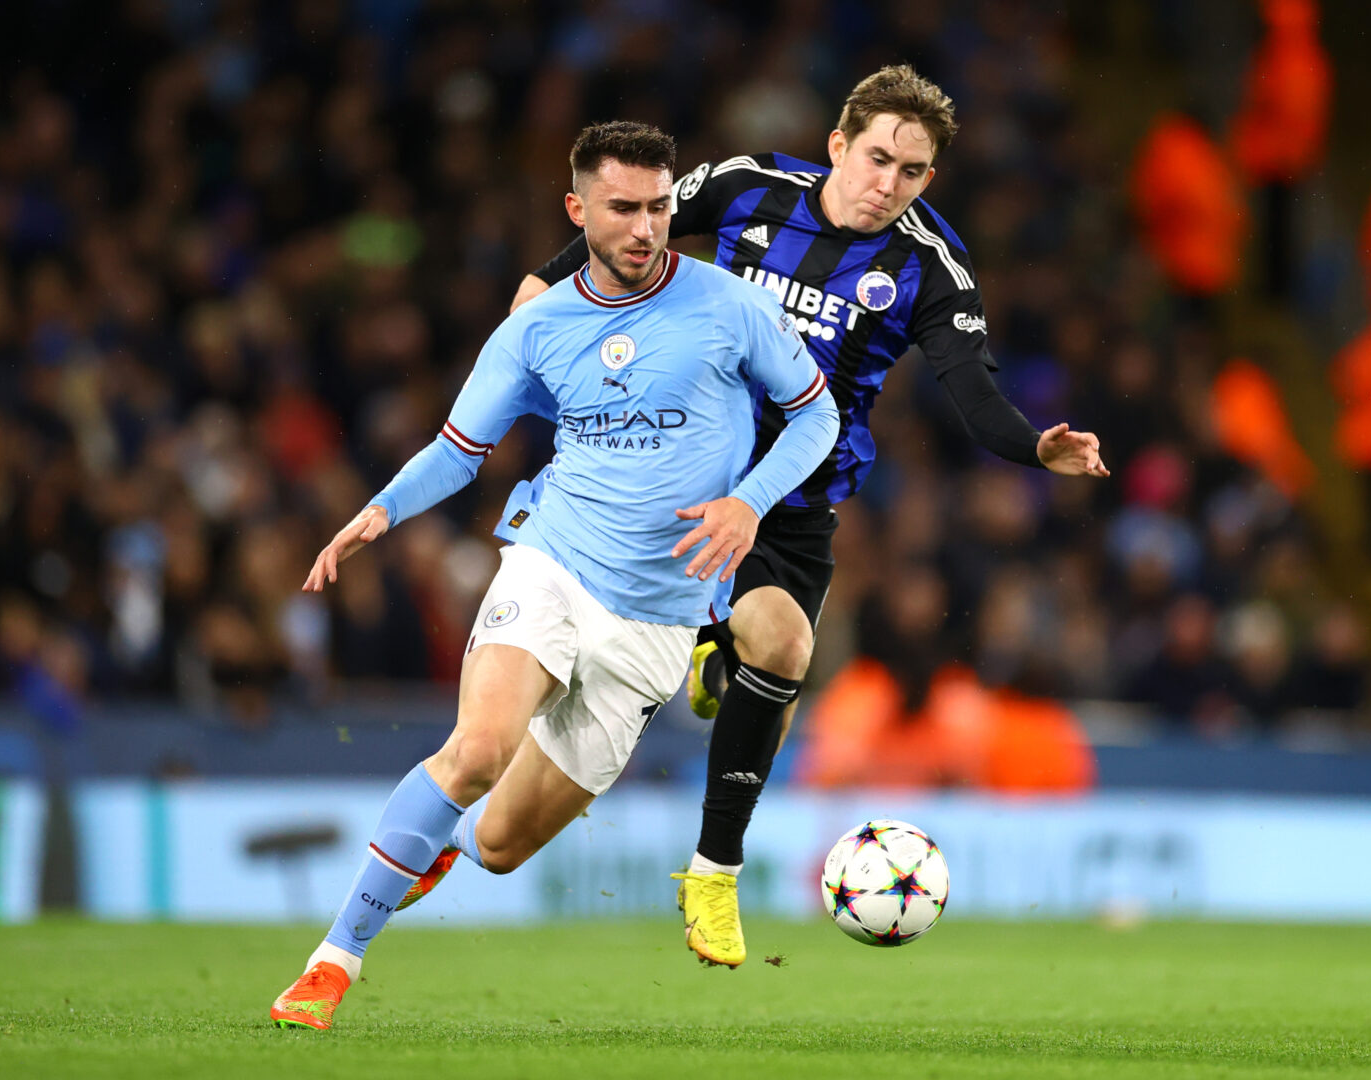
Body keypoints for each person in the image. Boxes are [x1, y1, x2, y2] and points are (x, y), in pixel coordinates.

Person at [491, 65, 1105, 969]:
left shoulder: (930, 267)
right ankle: (684, 652)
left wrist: (1033, 446)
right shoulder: (749, 186)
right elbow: (631, 229)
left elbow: (973, 393)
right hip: (672, 469)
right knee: (514, 809)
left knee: (784, 647)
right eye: (877, 158)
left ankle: (713, 872)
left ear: (930, 178)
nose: (888, 183)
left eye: (911, 171)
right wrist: (543, 290)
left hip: (793, 499)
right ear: (838, 146)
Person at [268, 121, 838, 1030]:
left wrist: (748, 504)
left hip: (658, 622)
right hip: (555, 563)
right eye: (622, 208)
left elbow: (817, 417)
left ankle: (442, 840)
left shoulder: (730, 306)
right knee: (477, 751)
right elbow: (460, 449)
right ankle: (332, 962)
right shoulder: (535, 327)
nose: (645, 228)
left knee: (498, 846)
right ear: (577, 210)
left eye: (659, 207)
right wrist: (381, 510)